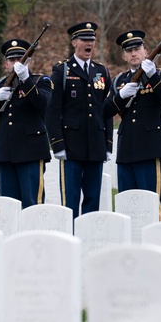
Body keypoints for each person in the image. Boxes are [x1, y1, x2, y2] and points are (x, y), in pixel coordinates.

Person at [103, 30, 161, 218]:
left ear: (145, 52)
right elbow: (105, 111)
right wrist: (121, 96)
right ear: (124, 56)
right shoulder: (119, 81)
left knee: (152, 202)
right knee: (127, 203)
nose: (134, 53)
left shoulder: (159, 74)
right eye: (129, 51)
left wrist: (153, 76)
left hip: (150, 146)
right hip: (126, 147)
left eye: (137, 49)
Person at [45, 21, 113, 219]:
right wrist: (57, 144)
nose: (89, 43)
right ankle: (71, 234)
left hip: (96, 145)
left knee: (93, 198)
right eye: (84, 40)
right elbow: (52, 111)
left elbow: (106, 110)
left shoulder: (101, 72)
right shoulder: (62, 71)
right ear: (74, 43)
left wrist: (108, 144)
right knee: (71, 200)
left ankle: (89, 234)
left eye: (92, 40)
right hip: (71, 146)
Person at [0, 38, 53, 208]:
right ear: (6, 64)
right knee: (8, 206)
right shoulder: (0, 84)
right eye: (12, 60)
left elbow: (43, 104)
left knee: (32, 203)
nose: (16, 63)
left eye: (21, 59)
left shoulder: (41, 81)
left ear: (28, 62)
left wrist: (26, 80)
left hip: (31, 152)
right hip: (6, 152)